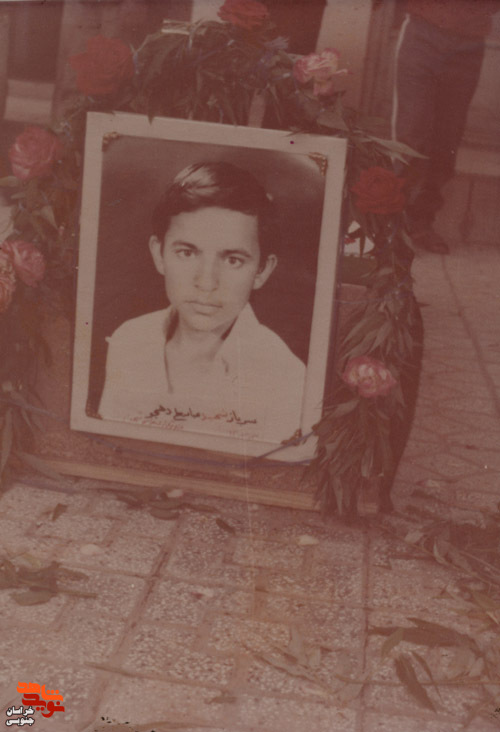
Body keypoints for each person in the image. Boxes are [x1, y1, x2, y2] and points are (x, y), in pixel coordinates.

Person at [98, 161, 306, 444]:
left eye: (233, 260)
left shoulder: (286, 378)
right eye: (187, 253)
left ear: (261, 271)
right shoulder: (129, 340)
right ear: (159, 254)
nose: (206, 283)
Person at [392, 0, 499, 254]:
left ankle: (421, 222)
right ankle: (390, 222)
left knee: (446, 140)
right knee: (411, 134)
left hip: (469, 44)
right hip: (423, 33)